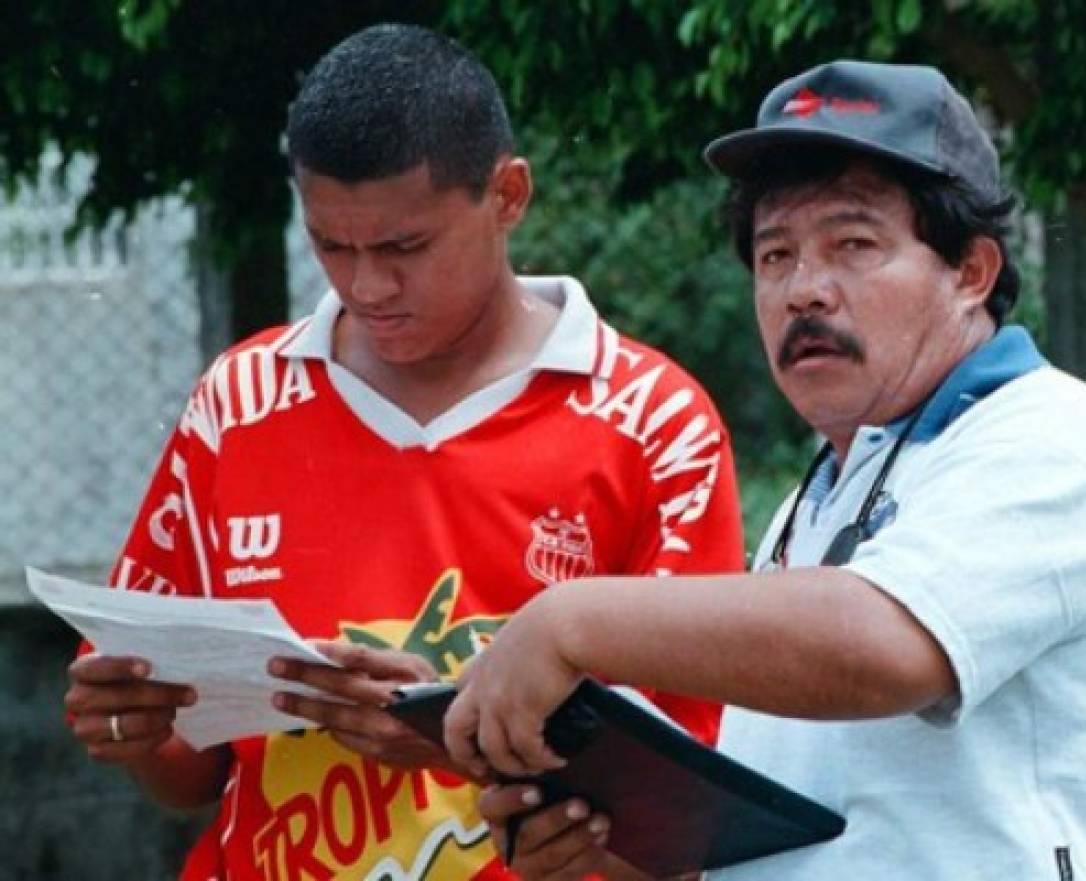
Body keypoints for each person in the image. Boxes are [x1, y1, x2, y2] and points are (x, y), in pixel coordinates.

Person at [442, 60, 1086, 880]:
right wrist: (603, 852)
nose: (803, 291)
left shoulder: (1051, 435)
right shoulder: (816, 499)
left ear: (971, 273)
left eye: (853, 244)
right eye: (775, 255)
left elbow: (882, 649)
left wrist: (568, 622)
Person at [61, 23, 744, 881]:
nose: (366, 287)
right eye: (332, 246)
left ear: (508, 195)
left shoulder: (655, 426)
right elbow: (196, 776)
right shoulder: (238, 403)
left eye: (404, 248)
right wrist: (137, 734)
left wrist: (452, 739)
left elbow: (684, 821)